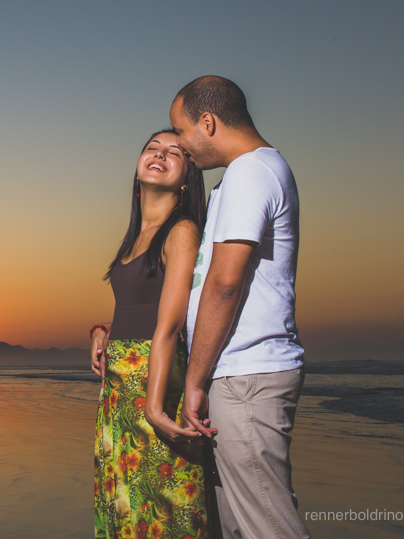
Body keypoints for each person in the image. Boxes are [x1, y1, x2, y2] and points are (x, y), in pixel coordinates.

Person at [168, 76, 311, 539]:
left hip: (248, 375)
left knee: (268, 527)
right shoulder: (245, 174)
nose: (180, 143)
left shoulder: (251, 171)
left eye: (182, 130)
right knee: (237, 527)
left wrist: (194, 381)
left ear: (207, 122)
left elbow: (225, 284)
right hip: (237, 373)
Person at [90, 129, 214, 539]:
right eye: (152, 148)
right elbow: (138, 305)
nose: (159, 154)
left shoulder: (181, 230)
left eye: (174, 152)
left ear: (186, 180)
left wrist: (154, 407)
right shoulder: (136, 236)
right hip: (118, 390)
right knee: (123, 504)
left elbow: (170, 323)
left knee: (161, 509)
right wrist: (102, 331)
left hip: (154, 381)